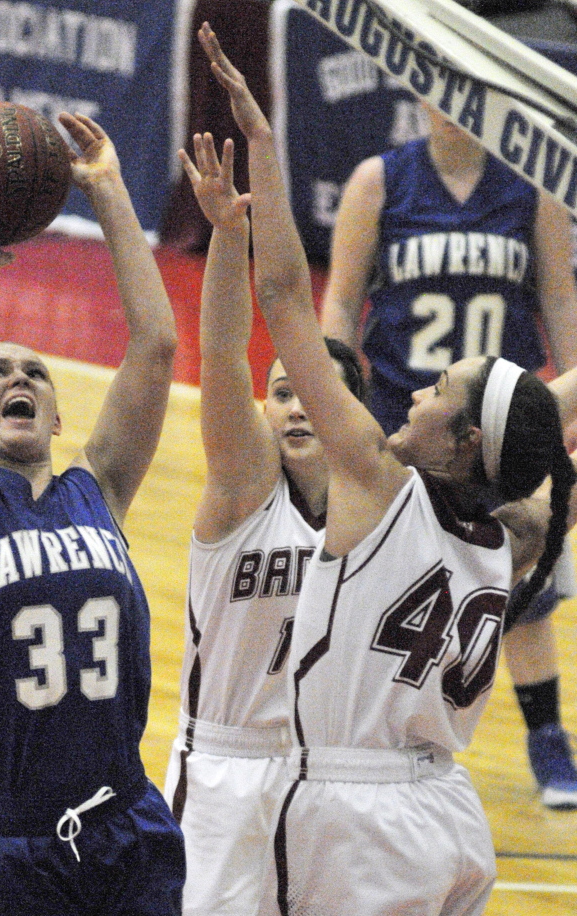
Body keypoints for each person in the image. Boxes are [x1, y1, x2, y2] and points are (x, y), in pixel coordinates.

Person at [199, 21, 576, 915]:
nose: (411, 393)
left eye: (438, 388)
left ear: (463, 440)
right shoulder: (512, 530)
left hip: (351, 813)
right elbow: (539, 417)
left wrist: (262, 145)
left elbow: (286, 296)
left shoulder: (373, 484)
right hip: (447, 811)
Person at [0, 112, 185, 914]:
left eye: (34, 373)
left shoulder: (97, 485)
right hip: (8, 843)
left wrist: (108, 192)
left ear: (58, 417)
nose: (16, 377)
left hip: (126, 821)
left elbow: (155, 345)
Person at [320, 103, 577, 809]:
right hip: (407, 414)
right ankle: (359, 723)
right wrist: (331, 384)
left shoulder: (533, 187)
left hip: (501, 418)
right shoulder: (378, 180)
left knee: (525, 590)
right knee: (379, 583)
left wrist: (566, 401)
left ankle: (546, 739)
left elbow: (558, 294)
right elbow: (340, 300)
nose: (452, 107)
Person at [162, 129, 365, 915]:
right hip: (223, 767)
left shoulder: (376, 509)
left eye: (306, 390)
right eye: (279, 392)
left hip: (325, 775)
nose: (292, 406)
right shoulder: (246, 490)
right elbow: (218, 354)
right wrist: (225, 237)